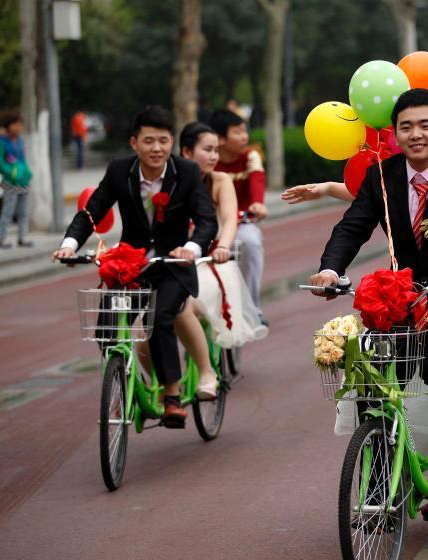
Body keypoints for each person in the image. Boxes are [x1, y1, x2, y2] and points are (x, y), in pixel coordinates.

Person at [310, 89, 428, 490]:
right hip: (402, 299)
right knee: (371, 378)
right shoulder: (382, 175)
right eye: (406, 127)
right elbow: (352, 226)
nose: (416, 134)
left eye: (426, 125)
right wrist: (330, 269)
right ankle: (379, 479)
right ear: (395, 134)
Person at [52, 105, 218, 427]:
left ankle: (171, 394)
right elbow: (92, 212)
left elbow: (206, 219)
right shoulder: (119, 171)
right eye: (148, 141)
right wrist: (68, 246)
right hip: (132, 265)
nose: (156, 148)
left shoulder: (186, 172)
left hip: (172, 265)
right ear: (133, 143)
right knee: (106, 328)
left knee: (160, 316)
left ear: (171, 141)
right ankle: (126, 378)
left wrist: (192, 247)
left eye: (163, 141)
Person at [174, 122, 267, 395]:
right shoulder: (171, 180)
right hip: (176, 262)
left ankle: (206, 370)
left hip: (211, 263)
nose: (214, 156)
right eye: (207, 150)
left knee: (185, 305)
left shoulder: (219, 181)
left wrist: (223, 248)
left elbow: (228, 221)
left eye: (216, 150)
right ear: (187, 152)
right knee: (150, 320)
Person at [210, 108, 269, 326]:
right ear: (221, 139)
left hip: (241, 222)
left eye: (245, 131)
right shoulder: (209, 160)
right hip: (210, 225)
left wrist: (257, 204)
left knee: (252, 242)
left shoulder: (250, 157)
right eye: (237, 132)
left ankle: (251, 308)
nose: (244, 137)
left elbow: (257, 182)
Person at [0, 111, 32, 249]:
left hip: (23, 181)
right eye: (15, 124)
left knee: (23, 212)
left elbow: (23, 158)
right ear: (8, 126)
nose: (18, 127)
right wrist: (9, 171)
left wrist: (28, 172)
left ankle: (22, 237)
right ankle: (2, 239)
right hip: (10, 182)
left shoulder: (20, 140)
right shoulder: (2, 142)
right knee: (8, 211)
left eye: (20, 124)